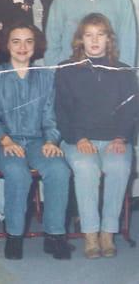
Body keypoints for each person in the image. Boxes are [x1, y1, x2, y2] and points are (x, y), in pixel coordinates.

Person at [0, 23, 71, 261]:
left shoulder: (46, 76)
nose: (22, 47)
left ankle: (54, 235)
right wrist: (6, 140)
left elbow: (51, 116)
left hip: (37, 141)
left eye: (28, 41)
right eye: (16, 41)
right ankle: (14, 235)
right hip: (1, 143)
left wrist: (51, 141)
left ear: (36, 45)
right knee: (17, 171)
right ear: (7, 44)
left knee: (59, 169)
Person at [55, 13, 139, 259]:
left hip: (115, 140)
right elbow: (62, 110)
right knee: (86, 168)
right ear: (80, 39)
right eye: (88, 35)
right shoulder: (66, 70)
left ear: (108, 39)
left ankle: (107, 233)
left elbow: (131, 111)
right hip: (78, 140)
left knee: (119, 167)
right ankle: (90, 234)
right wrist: (79, 138)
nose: (94, 40)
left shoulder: (124, 71)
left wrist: (121, 137)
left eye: (100, 35)